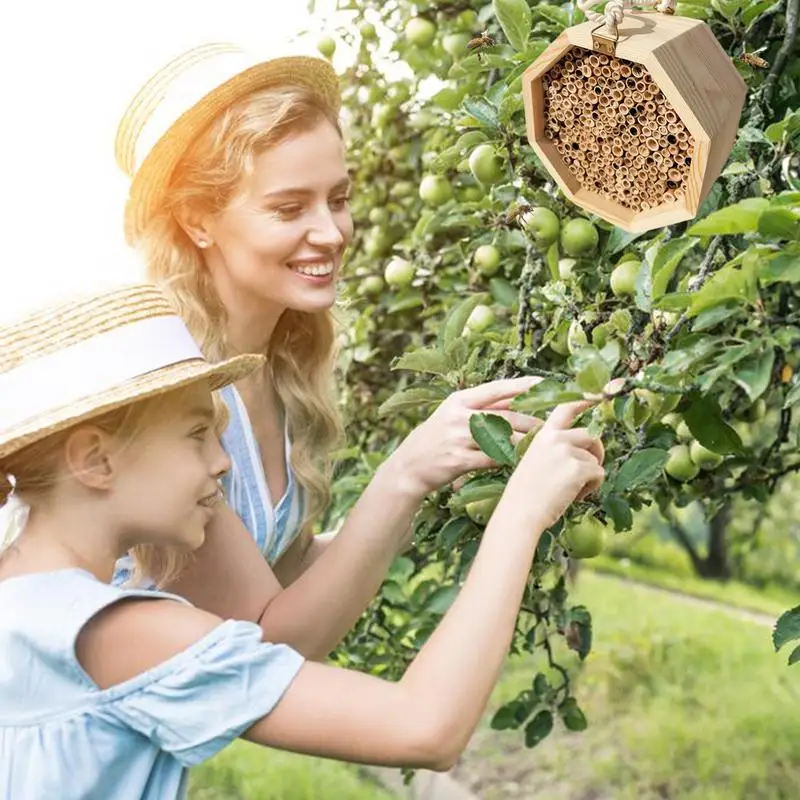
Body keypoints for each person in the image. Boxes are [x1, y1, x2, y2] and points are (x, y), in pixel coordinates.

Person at [0, 282, 605, 799]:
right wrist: (522, 512)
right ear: (95, 461)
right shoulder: (121, 632)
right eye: (195, 435)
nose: (220, 463)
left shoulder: (22, 599)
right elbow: (425, 727)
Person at [113, 44, 551, 658]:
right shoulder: (166, 390)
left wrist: (448, 481)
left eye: (338, 198)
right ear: (196, 220)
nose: (331, 232)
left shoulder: (282, 367)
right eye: (289, 207)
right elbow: (264, 647)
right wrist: (405, 474)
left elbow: (284, 571)